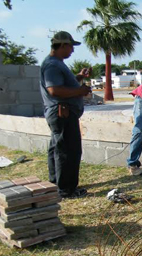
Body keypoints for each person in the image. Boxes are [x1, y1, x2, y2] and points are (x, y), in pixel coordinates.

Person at [40, 31, 92, 199]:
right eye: (71, 46)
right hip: (63, 112)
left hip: (62, 113)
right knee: (69, 150)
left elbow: (61, 84)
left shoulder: (56, 64)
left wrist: (78, 77)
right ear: (62, 45)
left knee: (58, 148)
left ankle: (57, 183)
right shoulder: (52, 65)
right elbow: (54, 89)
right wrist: (80, 90)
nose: (72, 51)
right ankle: (66, 190)